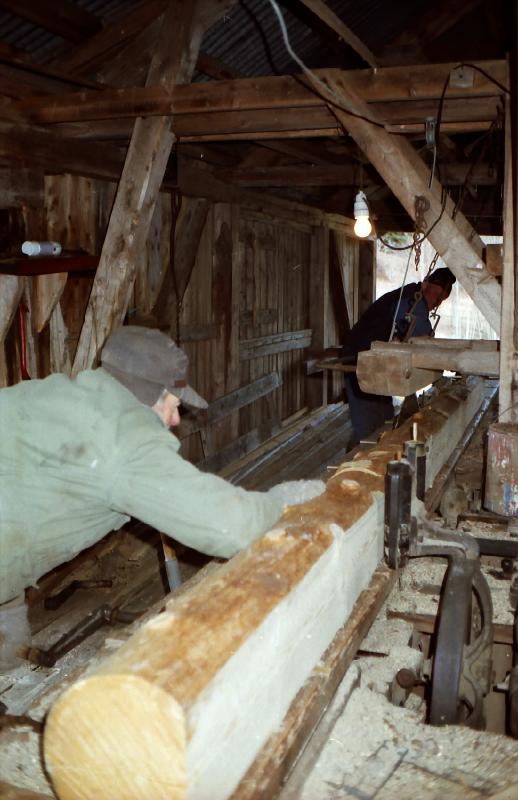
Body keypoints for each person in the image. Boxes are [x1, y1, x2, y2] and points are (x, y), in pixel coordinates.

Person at [0, 326, 324, 666]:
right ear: (149, 394)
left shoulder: (59, 394)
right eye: (174, 406)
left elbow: (19, 489)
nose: (176, 419)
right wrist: (280, 502)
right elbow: (230, 527)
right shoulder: (123, 441)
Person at [340, 267, 456, 442]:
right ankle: (358, 456)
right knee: (367, 427)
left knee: (384, 420)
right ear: (425, 285)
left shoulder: (411, 297)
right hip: (360, 362)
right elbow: (424, 338)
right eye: (436, 296)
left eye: (441, 300)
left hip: (375, 363)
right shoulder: (412, 300)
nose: (436, 303)